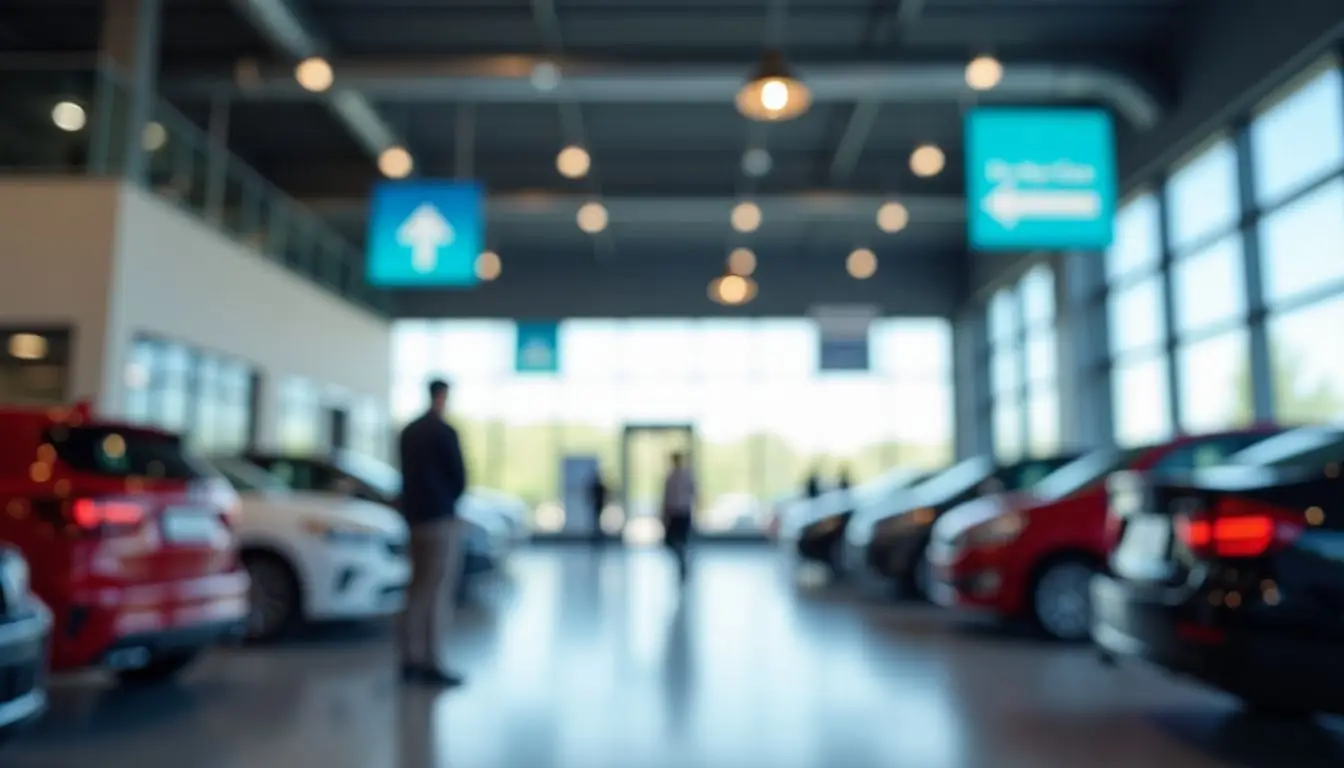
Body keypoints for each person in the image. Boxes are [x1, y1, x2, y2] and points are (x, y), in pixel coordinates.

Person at [397, 378, 468, 688]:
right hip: (439, 518)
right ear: (443, 397)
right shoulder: (444, 432)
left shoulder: (409, 432)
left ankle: (409, 658)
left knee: (415, 590)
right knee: (437, 590)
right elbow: (458, 477)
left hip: (414, 519)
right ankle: (431, 660)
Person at [661, 451, 698, 583]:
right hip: (675, 512)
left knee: (680, 540)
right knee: (672, 541)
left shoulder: (684, 476)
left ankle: (682, 559)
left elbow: (694, 493)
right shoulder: (672, 477)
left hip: (682, 512)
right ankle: (681, 558)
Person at [587, 468, 609, 546]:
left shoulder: (598, 486)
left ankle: (598, 535)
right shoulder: (598, 486)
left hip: (598, 505)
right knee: (596, 520)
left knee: (597, 520)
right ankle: (597, 535)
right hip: (598, 505)